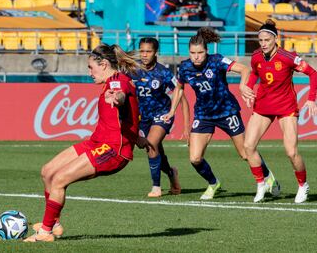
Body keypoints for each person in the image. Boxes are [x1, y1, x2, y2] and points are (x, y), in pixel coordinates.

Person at [24, 44, 151, 242]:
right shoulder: (111, 82)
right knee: (47, 171)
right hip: (96, 142)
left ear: (104, 64)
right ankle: (53, 222)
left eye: (91, 67)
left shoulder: (117, 81)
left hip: (112, 150)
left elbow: (121, 95)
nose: (89, 72)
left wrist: (117, 98)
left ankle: (45, 232)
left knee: (58, 180)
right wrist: (138, 137)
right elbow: (128, 115)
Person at [163, 27, 279, 200]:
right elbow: (179, 88)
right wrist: (172, 110)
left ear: (206, 51)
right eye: (193, 52)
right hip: (203, 115)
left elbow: (245, 70)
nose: (196, 56)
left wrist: (242, 86)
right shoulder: (185, 67)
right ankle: (213, 183)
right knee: (195, 158)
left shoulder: (217, 60)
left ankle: (267, 174)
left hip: (227, 111)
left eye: (200, 52)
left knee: (245, 154)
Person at [243, 19, 317, 203]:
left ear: (275, 39)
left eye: (267, 40)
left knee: (291, 152)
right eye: (260, 40)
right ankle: (262, 184)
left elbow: (313, 73)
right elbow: (254, 72)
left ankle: (302, 185)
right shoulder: (256, 56)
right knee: (248, 146)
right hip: (263, 106)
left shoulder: (288, 57)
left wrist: (311, 99)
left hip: (286, 108)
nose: (263, 44)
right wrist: (248, 87)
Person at [129, 37, 190, 197]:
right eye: (142, 51)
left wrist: (186, 127)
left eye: (148, 51)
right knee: (153, 150)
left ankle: (156, 187)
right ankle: (171, 173)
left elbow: (182, 96)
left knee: (151, 144)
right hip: (143, 118)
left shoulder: (163, 73)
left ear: (156, 52)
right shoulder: (132, 71)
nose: (144, 55)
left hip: (162, 115)